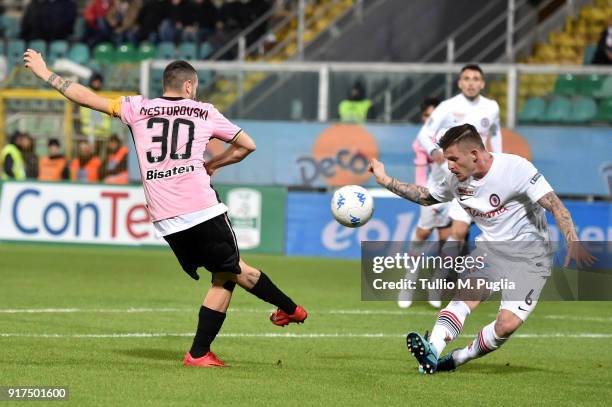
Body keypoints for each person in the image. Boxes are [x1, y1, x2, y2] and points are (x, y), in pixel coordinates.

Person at [24, 49, 308, 367]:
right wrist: (213, 164)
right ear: (188, 86)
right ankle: (280, 314)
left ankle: (218, 345)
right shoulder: (204, 112)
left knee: (225, 273)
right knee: (231, 271)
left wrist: (45, 73)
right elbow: (247, 146)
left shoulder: (136, 107)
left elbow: (86, 97)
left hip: (166, 219)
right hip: (201, 208)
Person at [369, 123, 595, 374]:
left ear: (474, 154)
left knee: (506, 325)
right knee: (467, 295)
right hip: (492, 250)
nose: (450, 166)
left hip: (532, 257)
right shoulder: (454, 179)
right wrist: (386, 180)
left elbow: (555, 205)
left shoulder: (515, 169)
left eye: (453, 159)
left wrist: (572, 240)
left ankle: (458, 358)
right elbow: (426, 195)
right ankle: (431, 351)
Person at [417, 64, 502, 247]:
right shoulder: (448, 107)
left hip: (470, 178)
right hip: (443, 176)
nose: (471, 83)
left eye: (475, 79)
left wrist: (498, 161)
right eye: (467, 79)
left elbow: (495, 134)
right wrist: (435, 151)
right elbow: (424, 133)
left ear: (482, 84)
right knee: (425, 232)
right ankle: (411, 275)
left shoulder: (491, 107)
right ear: (460, 83)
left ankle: (444, 276)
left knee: (459, 231)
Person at [398, 96, 449, 309]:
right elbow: (421, 170)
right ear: (423, 117)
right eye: (427, 116)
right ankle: (408, 282)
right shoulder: (421, 141)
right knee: (424, 233)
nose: (431, 119)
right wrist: (423, 194)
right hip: (431, 189)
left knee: (449, 238)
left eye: (434, 116)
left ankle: (436, 287)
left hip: (456, 191)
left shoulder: (451, 136)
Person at [80, 73, 112, 141]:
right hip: (88, 131)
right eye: (95, 81)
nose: (97, 83)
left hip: (103, 132)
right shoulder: (86, 92)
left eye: (99, 81)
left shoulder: (105, 95)